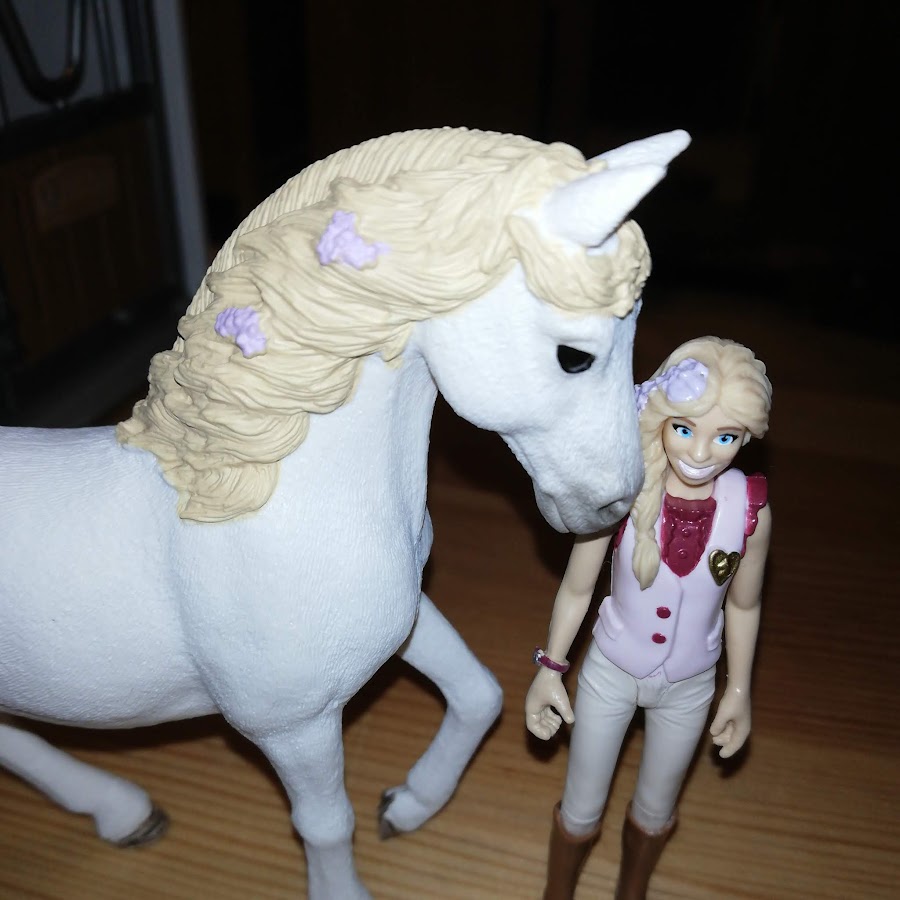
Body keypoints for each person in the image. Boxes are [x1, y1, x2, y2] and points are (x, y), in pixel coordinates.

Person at [526, 337, 772, 900]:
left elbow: (744, 603)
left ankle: (631, 891)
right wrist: (550, 667)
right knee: (582, 801)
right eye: (685, 428)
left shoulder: (749, 510)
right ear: (661, 417)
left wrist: (739, 690)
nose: (702, 452)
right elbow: (577, 587)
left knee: (657, 807)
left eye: (726, 436)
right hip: (611, 672)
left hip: (690, 685)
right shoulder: (624, 491)